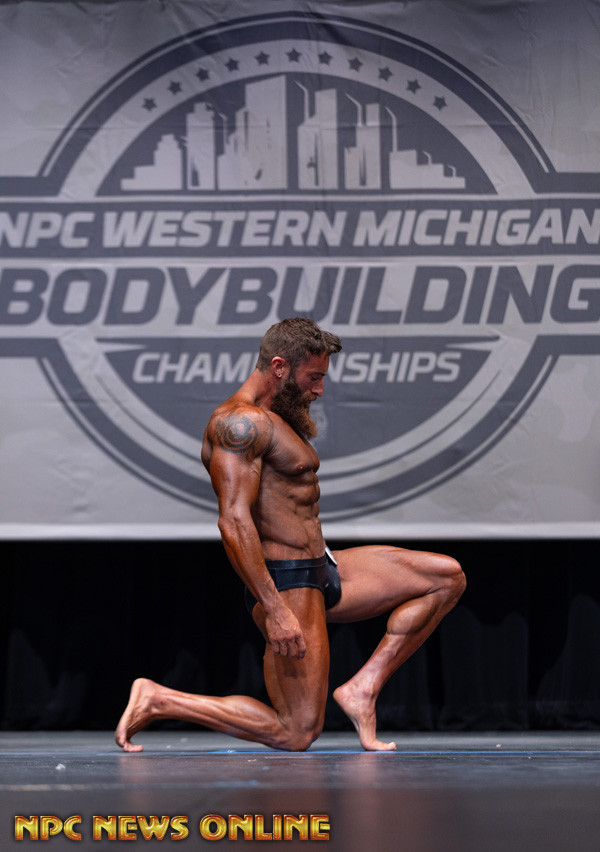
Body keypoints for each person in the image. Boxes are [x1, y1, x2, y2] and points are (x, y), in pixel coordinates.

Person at [116, 318, 465, 753]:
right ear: (279, 367)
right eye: (313, 377)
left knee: (445, 578)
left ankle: (362, 689)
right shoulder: (238, 424)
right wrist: (275, 608)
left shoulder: (272, 419)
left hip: (321, 566)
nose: (320, 389)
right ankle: (160, 699)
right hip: (287, 583)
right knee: (297, 730)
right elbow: (234, 521)